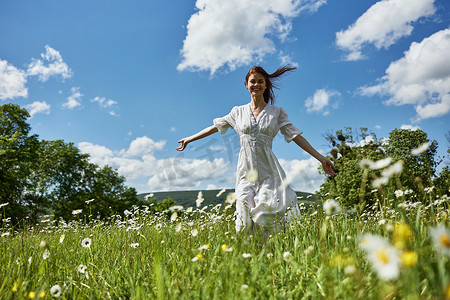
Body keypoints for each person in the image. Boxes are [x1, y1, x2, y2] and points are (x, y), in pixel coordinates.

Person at [177, 65, 336, 234]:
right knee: (243, 224)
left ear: (266, 85)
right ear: (246, 84)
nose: (256, 85)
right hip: (245, 173)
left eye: (261, 81)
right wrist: (189, 139)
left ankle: (270, 254)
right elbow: (215, 127)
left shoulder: (277, 112)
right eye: (253, 81)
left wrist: (321, 158)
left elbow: (296, 136)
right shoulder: (237, 112)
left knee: (266, 217)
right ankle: (249, 256)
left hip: (268, 172)